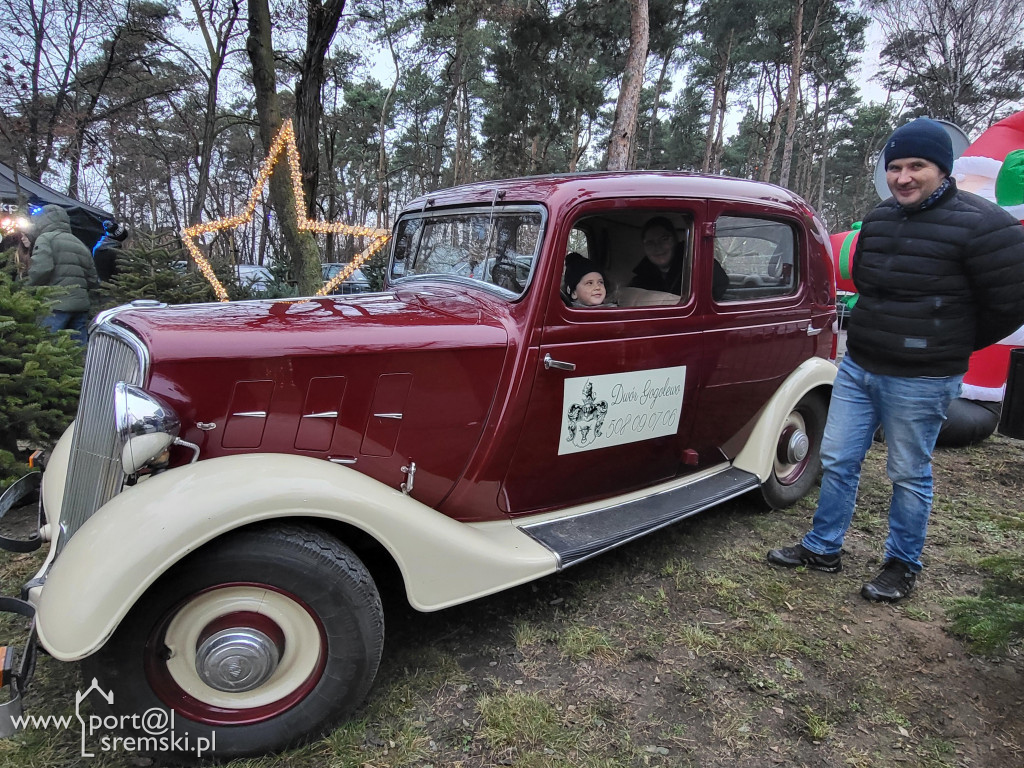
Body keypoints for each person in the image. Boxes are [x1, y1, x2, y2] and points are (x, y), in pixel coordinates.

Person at [767, 117, 1024, 603]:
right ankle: (824, 547)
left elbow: (1010, 302)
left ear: (942, 169)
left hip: (922, 377)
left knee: (908, 472)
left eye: (917, 166)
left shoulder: (985, 225)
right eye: (896, 167)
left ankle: (902, 563)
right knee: (839, 459)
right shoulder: (881, 218)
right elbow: (867, 283)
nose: (903, 177)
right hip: (861, 366)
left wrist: (949, 343)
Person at [27, 204, 101, 344]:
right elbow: (92, 278)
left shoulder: (46, 239)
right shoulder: (80, 243)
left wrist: (24, 287)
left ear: (42, 221)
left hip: (56, 305)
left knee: (47, 346)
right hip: (81, 306)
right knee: (79, 348)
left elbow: (42, 269)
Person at [631, 216, 687, 295]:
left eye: (664, 239)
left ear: (675, 239)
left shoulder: (693, 271)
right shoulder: (639, 282)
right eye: (650, 243)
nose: (657, 247)